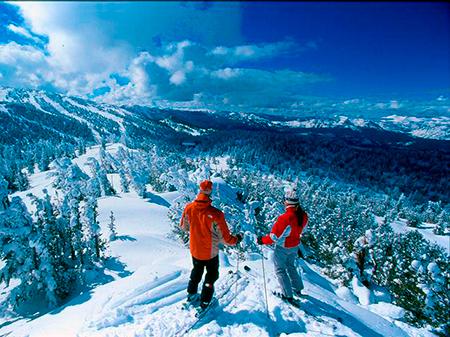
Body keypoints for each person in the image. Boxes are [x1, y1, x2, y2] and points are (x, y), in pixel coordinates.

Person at [180, 180, 242, 309]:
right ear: (210, 191)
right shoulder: (216, 214)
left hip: (195, 249)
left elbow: (184, 227)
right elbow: (226, 239)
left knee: (196, 271)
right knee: (211, 275)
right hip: (210, 252)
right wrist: (237, 239)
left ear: (200, 190)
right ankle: (205, 302)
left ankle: (191, 294)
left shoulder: (189, 207)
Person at [257, 188, 308, 303]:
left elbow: (274, 237)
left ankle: (287, 295)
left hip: (283, 247)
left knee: (280, 270)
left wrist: (262, 240)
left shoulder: (285, 218)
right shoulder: (303, 215)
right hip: (294, 246)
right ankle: (297, 288)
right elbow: (302, 231)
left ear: (287, 202)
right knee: (291, 266)